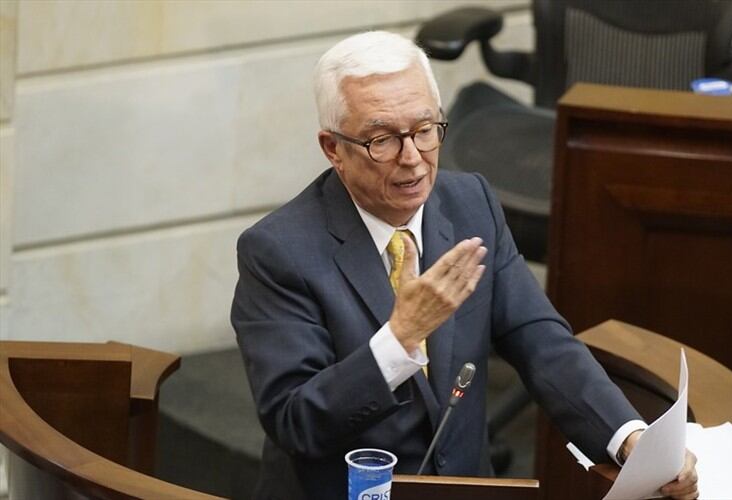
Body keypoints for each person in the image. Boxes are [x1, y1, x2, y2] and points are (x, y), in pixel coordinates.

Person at [231, 30, 698, 500]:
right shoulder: (278, 251)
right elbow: (295, 421)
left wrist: (631, 441)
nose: (412, 159)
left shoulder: (470, 202)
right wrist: (398, 341)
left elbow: (541, 341)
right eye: (381, 140)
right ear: (333, 148)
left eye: (424, 129)